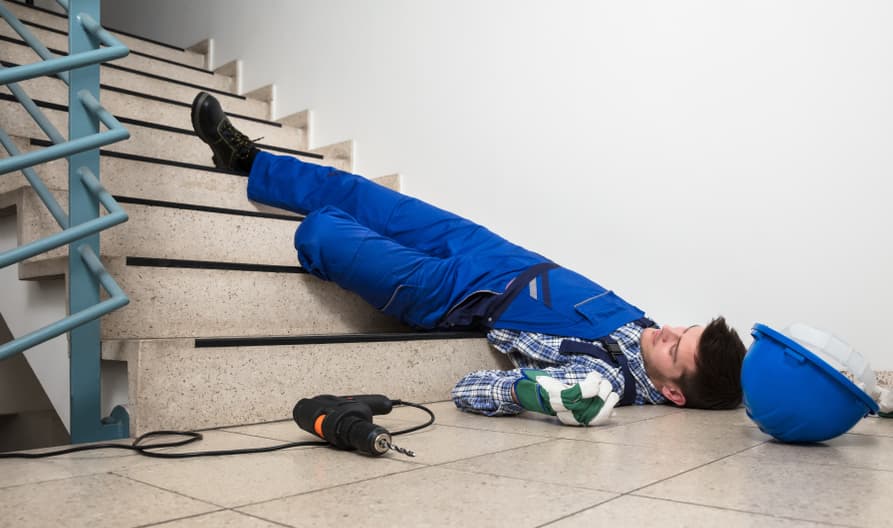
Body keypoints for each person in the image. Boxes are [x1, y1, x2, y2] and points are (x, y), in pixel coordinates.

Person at [190, 92, 747, 426]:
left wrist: (528, 393)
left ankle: (333, 249)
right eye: (683, 327)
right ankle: (249, 163)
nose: (667, 331)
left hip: (452, 293)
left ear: (673, 392)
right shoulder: (644, 328)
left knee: (325, 232)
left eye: (678, 347)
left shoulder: (602, 379)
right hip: (493, 250)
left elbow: (467, 389)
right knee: (364, 194)